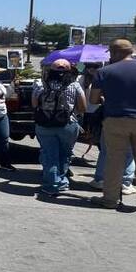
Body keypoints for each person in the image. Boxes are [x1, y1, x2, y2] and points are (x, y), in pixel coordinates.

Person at [88, 39, 136, 211]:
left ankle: (110, 200)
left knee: (114, 161)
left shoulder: (103, 72)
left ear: (115, 52)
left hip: (115, 120)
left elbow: (93, 100)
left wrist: (105, 98)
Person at [32, 59, 86, 199]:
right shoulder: (74, 84)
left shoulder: (40, 83)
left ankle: (52, 185)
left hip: (44, 124)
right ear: (69, 70)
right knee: (65, 154)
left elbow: (34, 103)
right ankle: (60, 181)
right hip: (68, 124)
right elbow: (82, 107)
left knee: (50, 155)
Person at [81, 63, 136, 197]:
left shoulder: (105, 79)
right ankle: (125, 182)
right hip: (133, 118)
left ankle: (100, 179)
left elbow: (94, 100)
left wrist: (103, 99)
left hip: (110, 118)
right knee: (128, 153)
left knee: (106, 150)